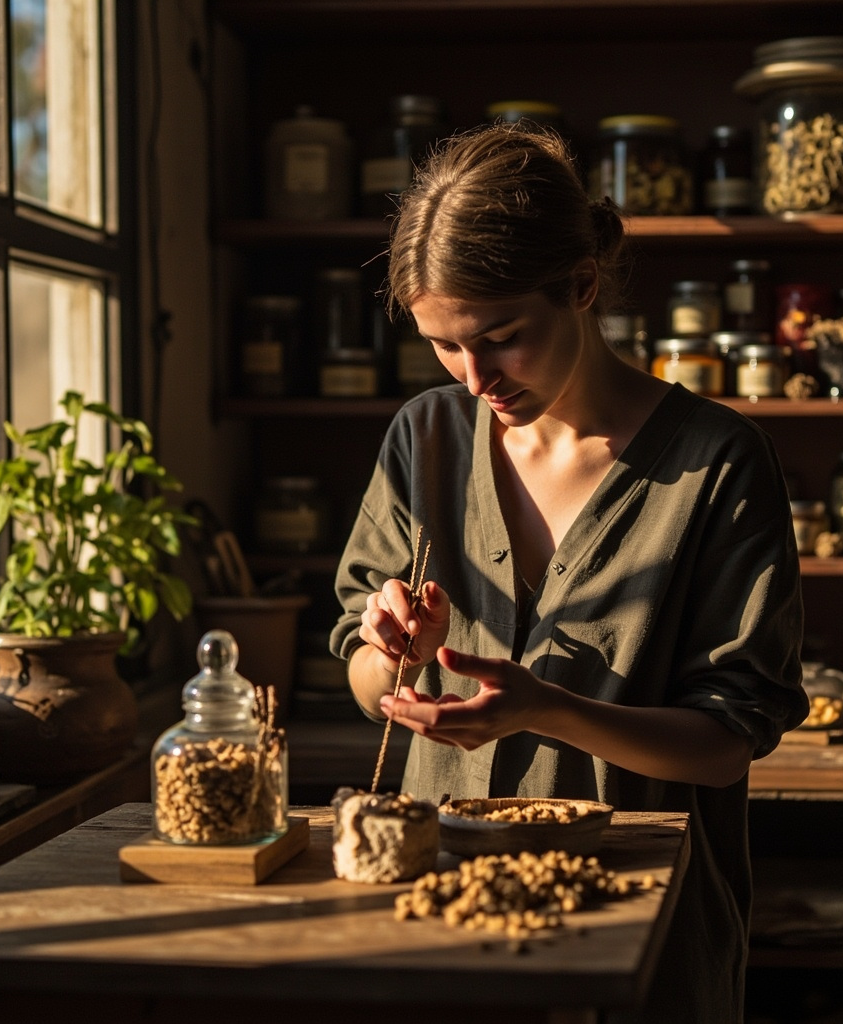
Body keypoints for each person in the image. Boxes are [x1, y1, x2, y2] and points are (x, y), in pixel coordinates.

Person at [330, 123, 808, 1022]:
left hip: (642, 935)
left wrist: (546, 709)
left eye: (501, 337)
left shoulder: (718, 464)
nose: (474, 378)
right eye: (443, 344)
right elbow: (363, 680)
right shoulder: (424, 438)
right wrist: (391, 652)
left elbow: (725, 744)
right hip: (442, 921)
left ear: (582, 286)